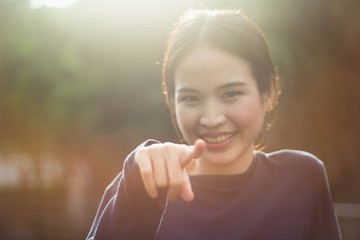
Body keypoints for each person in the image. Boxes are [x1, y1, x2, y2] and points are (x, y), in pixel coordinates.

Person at [86, 9, 342, 240]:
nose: (211, 119)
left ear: (269, 93)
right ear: (172, 102)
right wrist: (136, 191)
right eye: (191, 98)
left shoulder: (303, 178)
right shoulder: (142, 183)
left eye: (231, 94)